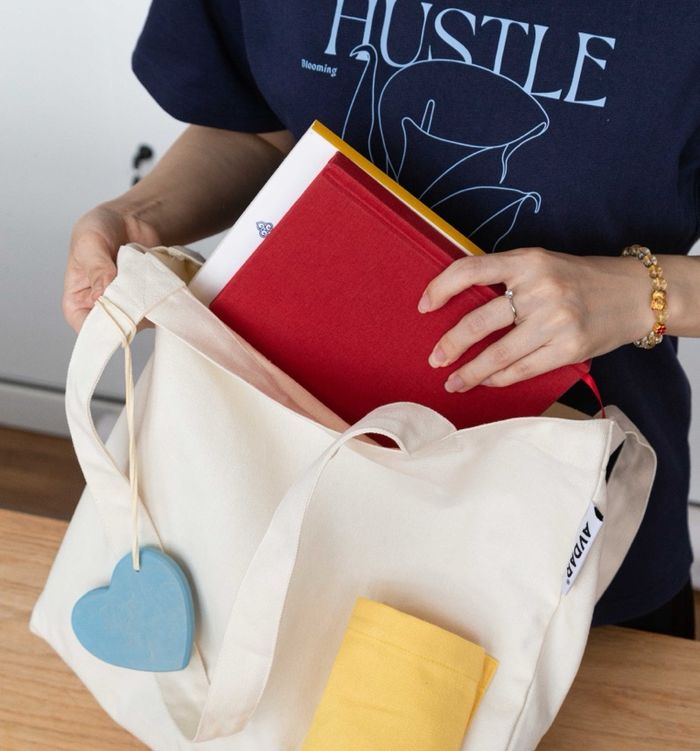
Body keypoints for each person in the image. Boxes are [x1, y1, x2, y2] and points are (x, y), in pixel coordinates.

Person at [63, 1, 700, 639]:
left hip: (551, 546)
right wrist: (136, 219)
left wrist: (643, 292)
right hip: (268, 487)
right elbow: (261, 130)